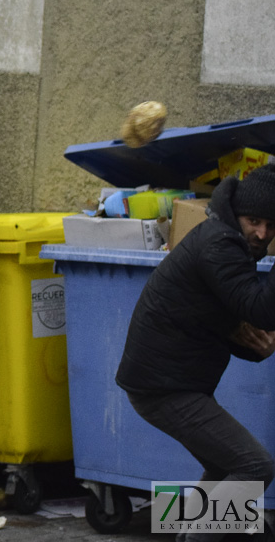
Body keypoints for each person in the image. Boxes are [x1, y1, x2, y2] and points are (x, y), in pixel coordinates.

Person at [116, 166, 275, 542]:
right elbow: (259, 308)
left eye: (271, 224)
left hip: (171, 381)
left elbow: (223, 321)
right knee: (256, 466)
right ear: (237, 214)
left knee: (225, 470)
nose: (263, 234)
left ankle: (191, 531)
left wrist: (258, 347)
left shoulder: (229, 240)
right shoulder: (219, 243)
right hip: (164, 387)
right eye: (254, 221)